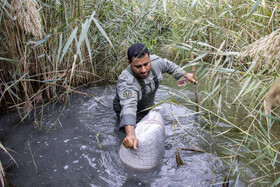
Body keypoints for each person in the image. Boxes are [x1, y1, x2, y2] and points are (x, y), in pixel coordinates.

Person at [113, 43, 197, 150]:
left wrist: (185, 74)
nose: (143, 70)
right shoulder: (127, 82)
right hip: (130, 112)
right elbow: (128, 108)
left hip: (148, 107)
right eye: (138, 66)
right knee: (131, 140)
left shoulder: (155, 62)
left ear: (149, 60)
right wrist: (130, 134)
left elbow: (168, 65)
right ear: (129, 63)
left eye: (146, 64)